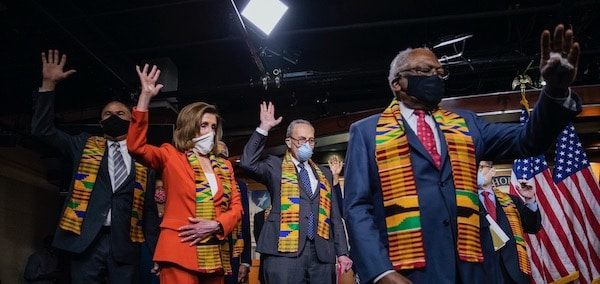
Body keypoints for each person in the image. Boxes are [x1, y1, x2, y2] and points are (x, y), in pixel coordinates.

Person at [343, 23, 581, 284]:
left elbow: (528, 141)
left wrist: (555, 92)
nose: (434, 77)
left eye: (439, 72)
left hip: (473, 269)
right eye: (425, 71)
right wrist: (380, 272)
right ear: (397, 84)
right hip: (407, 271)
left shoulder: (467, 124)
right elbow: (357, 208)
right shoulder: (367, 132)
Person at [31, 50, 160, 284]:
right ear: (101, 122)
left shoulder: (144, 157)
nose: (114, 116)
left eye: (120, 113)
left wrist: (158, 252)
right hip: (86, 241)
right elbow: (43, 131)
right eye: (108, 114)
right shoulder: (82, 144)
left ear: (132, 119)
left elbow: (149, 210)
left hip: (126, 243)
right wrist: (48, 84)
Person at [127, 64, 242, 284]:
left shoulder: (224, 166)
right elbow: (136, 147)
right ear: (189, 127)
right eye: (203, 125)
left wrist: (217, 224)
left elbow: (237, 208)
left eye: (212, 126)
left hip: (214, 250)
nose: (209, 131)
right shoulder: (171, 156)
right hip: (178, 248)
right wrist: (144, 99)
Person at [239, 102, 353, 284]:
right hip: (283, 252)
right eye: (301, 140)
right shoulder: (274, 166)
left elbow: (335, 217)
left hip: (321, 254)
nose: (307, 144)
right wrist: (264, 128)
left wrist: (342, 253)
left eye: (311, 140)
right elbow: (247, 163)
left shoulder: (323, 173)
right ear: (289, 141)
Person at [478, 161, 541, 284]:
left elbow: (533, 227)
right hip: (482, 271)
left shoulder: (511, 201)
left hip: (514, 271)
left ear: (493, 171)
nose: (476, 171)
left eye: (480, 167)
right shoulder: (465, 202)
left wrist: (530, 200)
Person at [217, 141, 252, 284]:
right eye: (216, 155)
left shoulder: (240, 187)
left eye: (223, 155)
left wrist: (245, 261)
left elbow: (244, 224)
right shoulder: (200, 182)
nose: (220, 159)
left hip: (233, 252)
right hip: (207, 249)